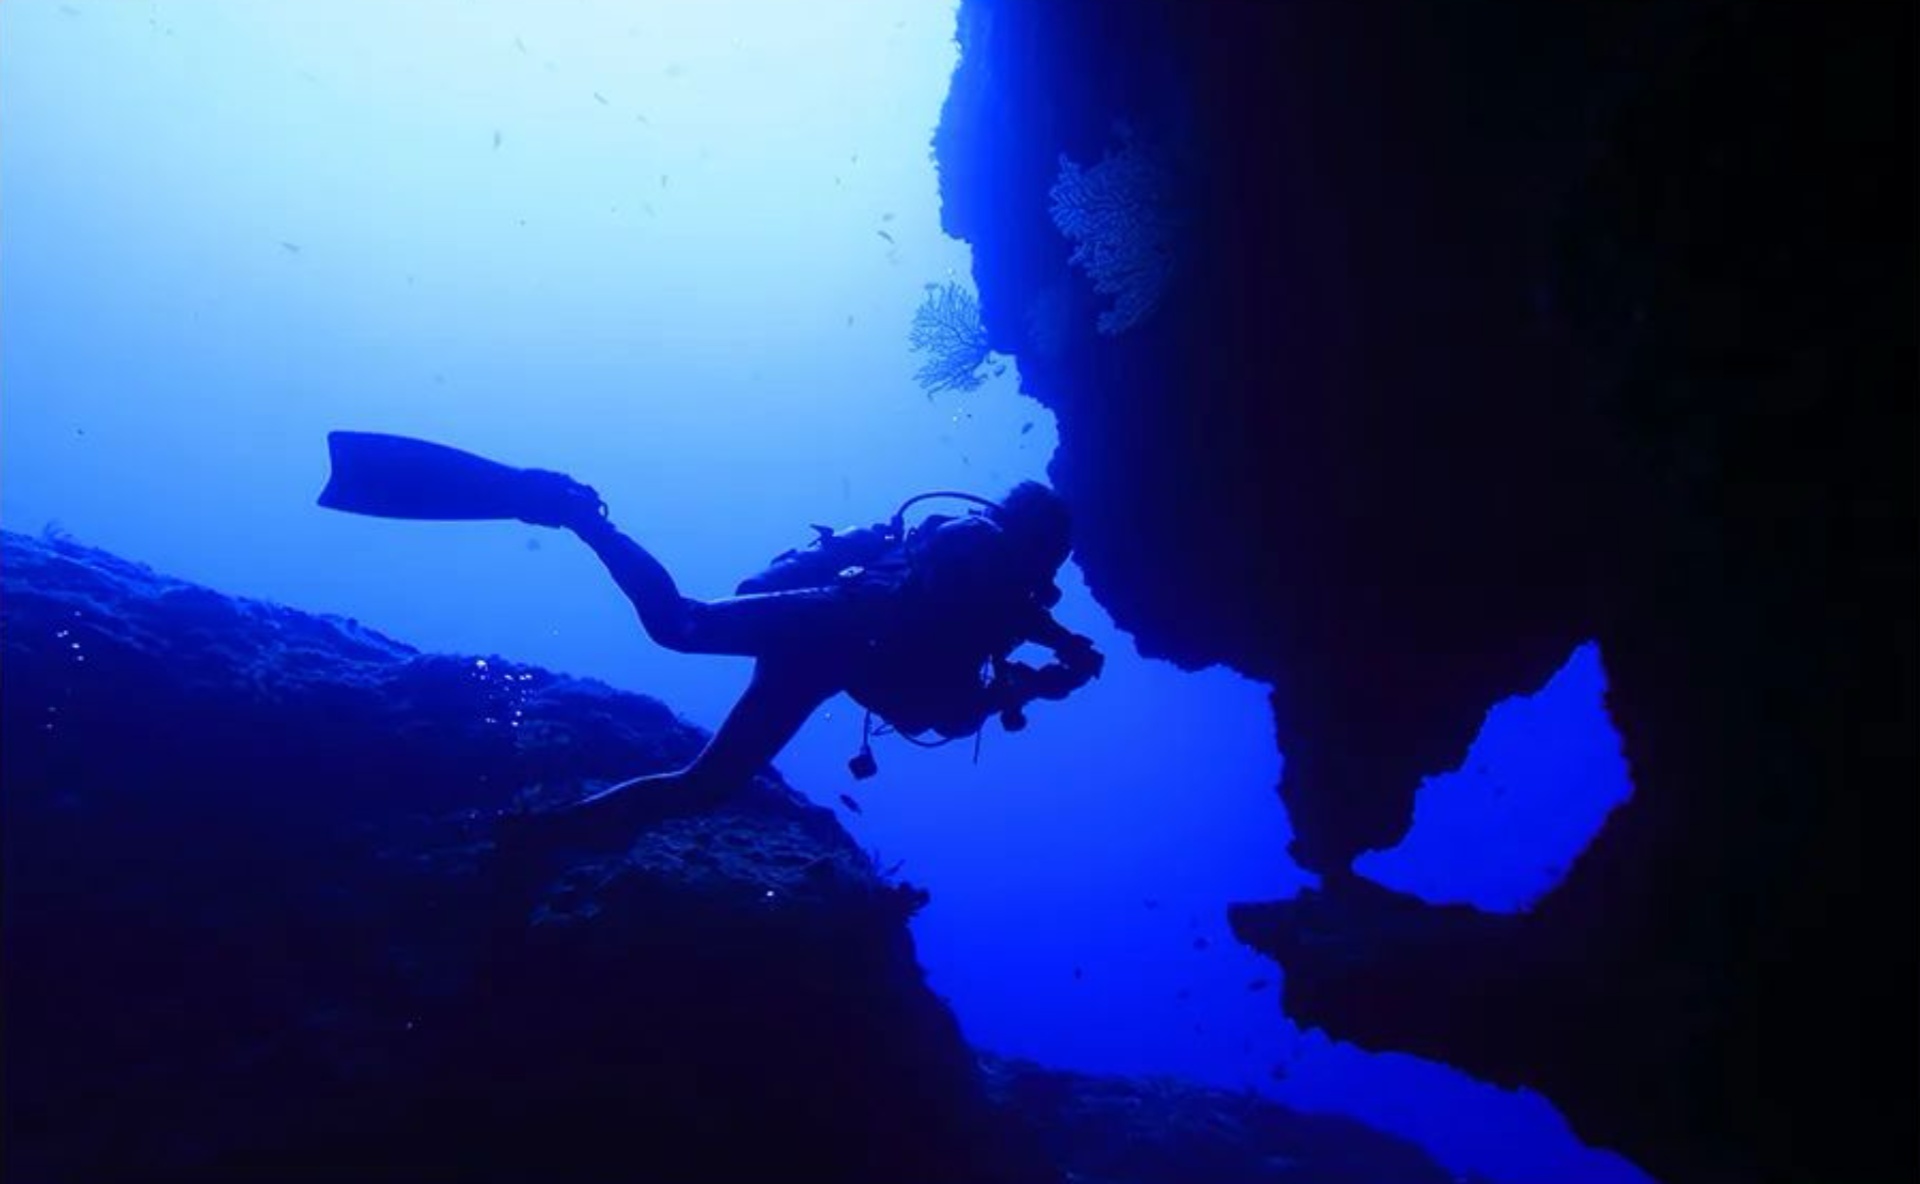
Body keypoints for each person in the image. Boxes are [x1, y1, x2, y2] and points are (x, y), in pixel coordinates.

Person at [501, 470, 1105, 846]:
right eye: (1054, 554)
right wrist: (1058, 637)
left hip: (835, 663)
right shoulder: (978, 535)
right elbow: (973, 574)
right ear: (1037, 538)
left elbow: (945, 712)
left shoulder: (1004, 604)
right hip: (836, 617)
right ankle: (585, 520)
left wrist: (1031, 684)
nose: (1051, 571)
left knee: (707, 783)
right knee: (681, 625)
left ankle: (550, 832)